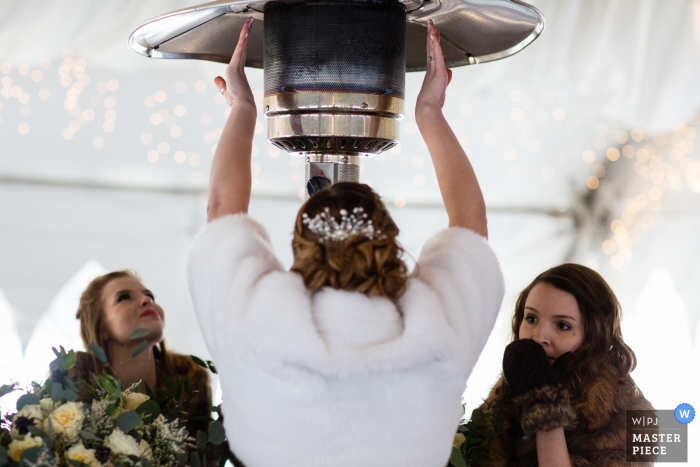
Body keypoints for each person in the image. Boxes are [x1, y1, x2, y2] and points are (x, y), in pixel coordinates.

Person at [187, 17, 504, 467]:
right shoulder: (435, 337)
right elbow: (472, 226)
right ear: (388, 242)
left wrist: (241, 108)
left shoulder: (259, 328)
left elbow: (220, 216)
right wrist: (429, 113)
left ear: (301, 247)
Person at [469, 263, 654, 467]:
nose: (538, 337)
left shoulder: (639, 419)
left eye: (563, 325)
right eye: (531, 318)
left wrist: (546, 413)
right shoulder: (510, 387)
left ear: (593, 336)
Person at [72, 270, 212, 437]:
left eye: (149, 295)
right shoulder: (75, 381)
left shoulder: (191, 379)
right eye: (124, 297)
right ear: (101, 328)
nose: (147, 300)